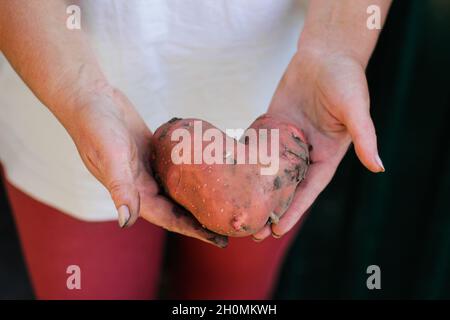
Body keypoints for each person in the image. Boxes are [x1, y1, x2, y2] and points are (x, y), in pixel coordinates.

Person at [0, 0, 389, 299]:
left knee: (232, 298)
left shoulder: (288, 132)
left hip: (282, 80)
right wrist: (75, 89)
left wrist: (337, 47)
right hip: (61, 67)